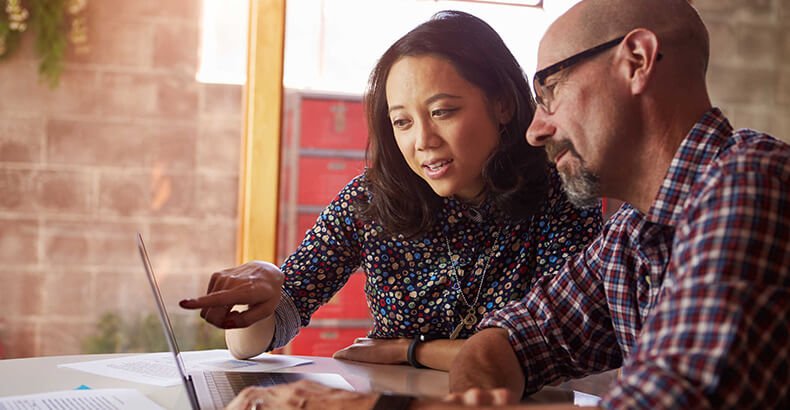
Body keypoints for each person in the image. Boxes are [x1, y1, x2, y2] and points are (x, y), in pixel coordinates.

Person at [223, 0, 789, 408]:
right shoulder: (634, 236)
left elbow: (667, 394)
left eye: (551, 92)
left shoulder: (749, 182)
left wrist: (373, 404)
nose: (538, 128)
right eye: (401, 121)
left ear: (637, 61)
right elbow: (517, 340)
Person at [180, 9, 601, 374]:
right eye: (403, 122)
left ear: (502, 104)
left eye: (442, 112)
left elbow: (556, 346)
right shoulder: (372, 199)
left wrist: (410, 351)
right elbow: (254, 342)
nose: (423, 141)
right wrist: (266, 284)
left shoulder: (560, 192)